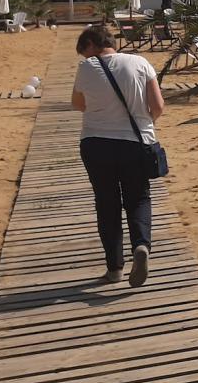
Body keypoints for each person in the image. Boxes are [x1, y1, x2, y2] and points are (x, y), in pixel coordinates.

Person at [70, 27, 165, 286]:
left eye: (84, 50)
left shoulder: (87, 67)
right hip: (135, 143)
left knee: (106, 203)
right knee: (138, 198)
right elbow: (158, 106)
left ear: (92, 43)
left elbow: (77, 104)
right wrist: (143, 123)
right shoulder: (140, 62)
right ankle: (141, 246)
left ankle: (114, 268)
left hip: (96, 143)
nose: (84, 56)